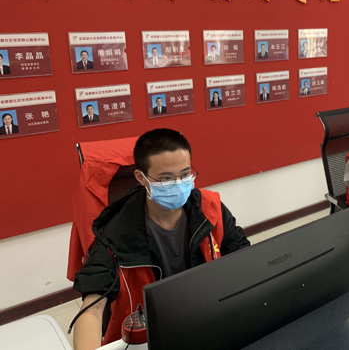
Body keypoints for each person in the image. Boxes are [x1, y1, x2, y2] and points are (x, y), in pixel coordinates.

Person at [72, 128, 250, 349]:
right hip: (148, 336)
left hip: (206, 316)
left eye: (185, 174)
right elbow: (92, 307)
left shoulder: (209, 208)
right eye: (166, 178)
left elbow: (243, 258)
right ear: (141, 178)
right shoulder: (115, 233)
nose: (179, 184)